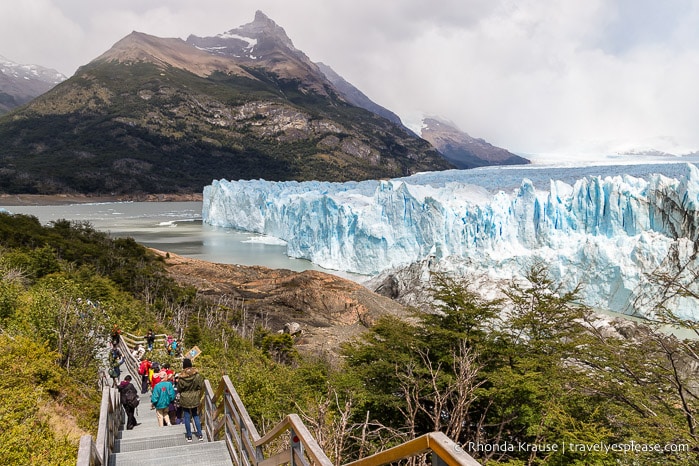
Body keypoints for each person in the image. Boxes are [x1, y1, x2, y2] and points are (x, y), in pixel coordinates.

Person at [176, 358, 205, 442]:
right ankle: (200, 435)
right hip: (195, 397)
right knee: (195, 415)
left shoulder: (181, 377)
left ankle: (189, 436)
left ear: (183, 366)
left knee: (187, 417)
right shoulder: (197, 375)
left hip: (185, 398)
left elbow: (179, 388)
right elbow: (200, 386)